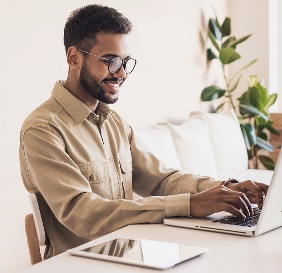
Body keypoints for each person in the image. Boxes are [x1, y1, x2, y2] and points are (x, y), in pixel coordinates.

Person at [19, 4, 268, 258]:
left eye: (126, 62)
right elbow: (83, 213)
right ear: (74, 58)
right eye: (111, 61)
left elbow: (162, 180)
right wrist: (190, 205)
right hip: (81, 266)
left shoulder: (114, 123)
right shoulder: (42, 130)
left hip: (130, 262)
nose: (122, 73)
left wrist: (225, 189)